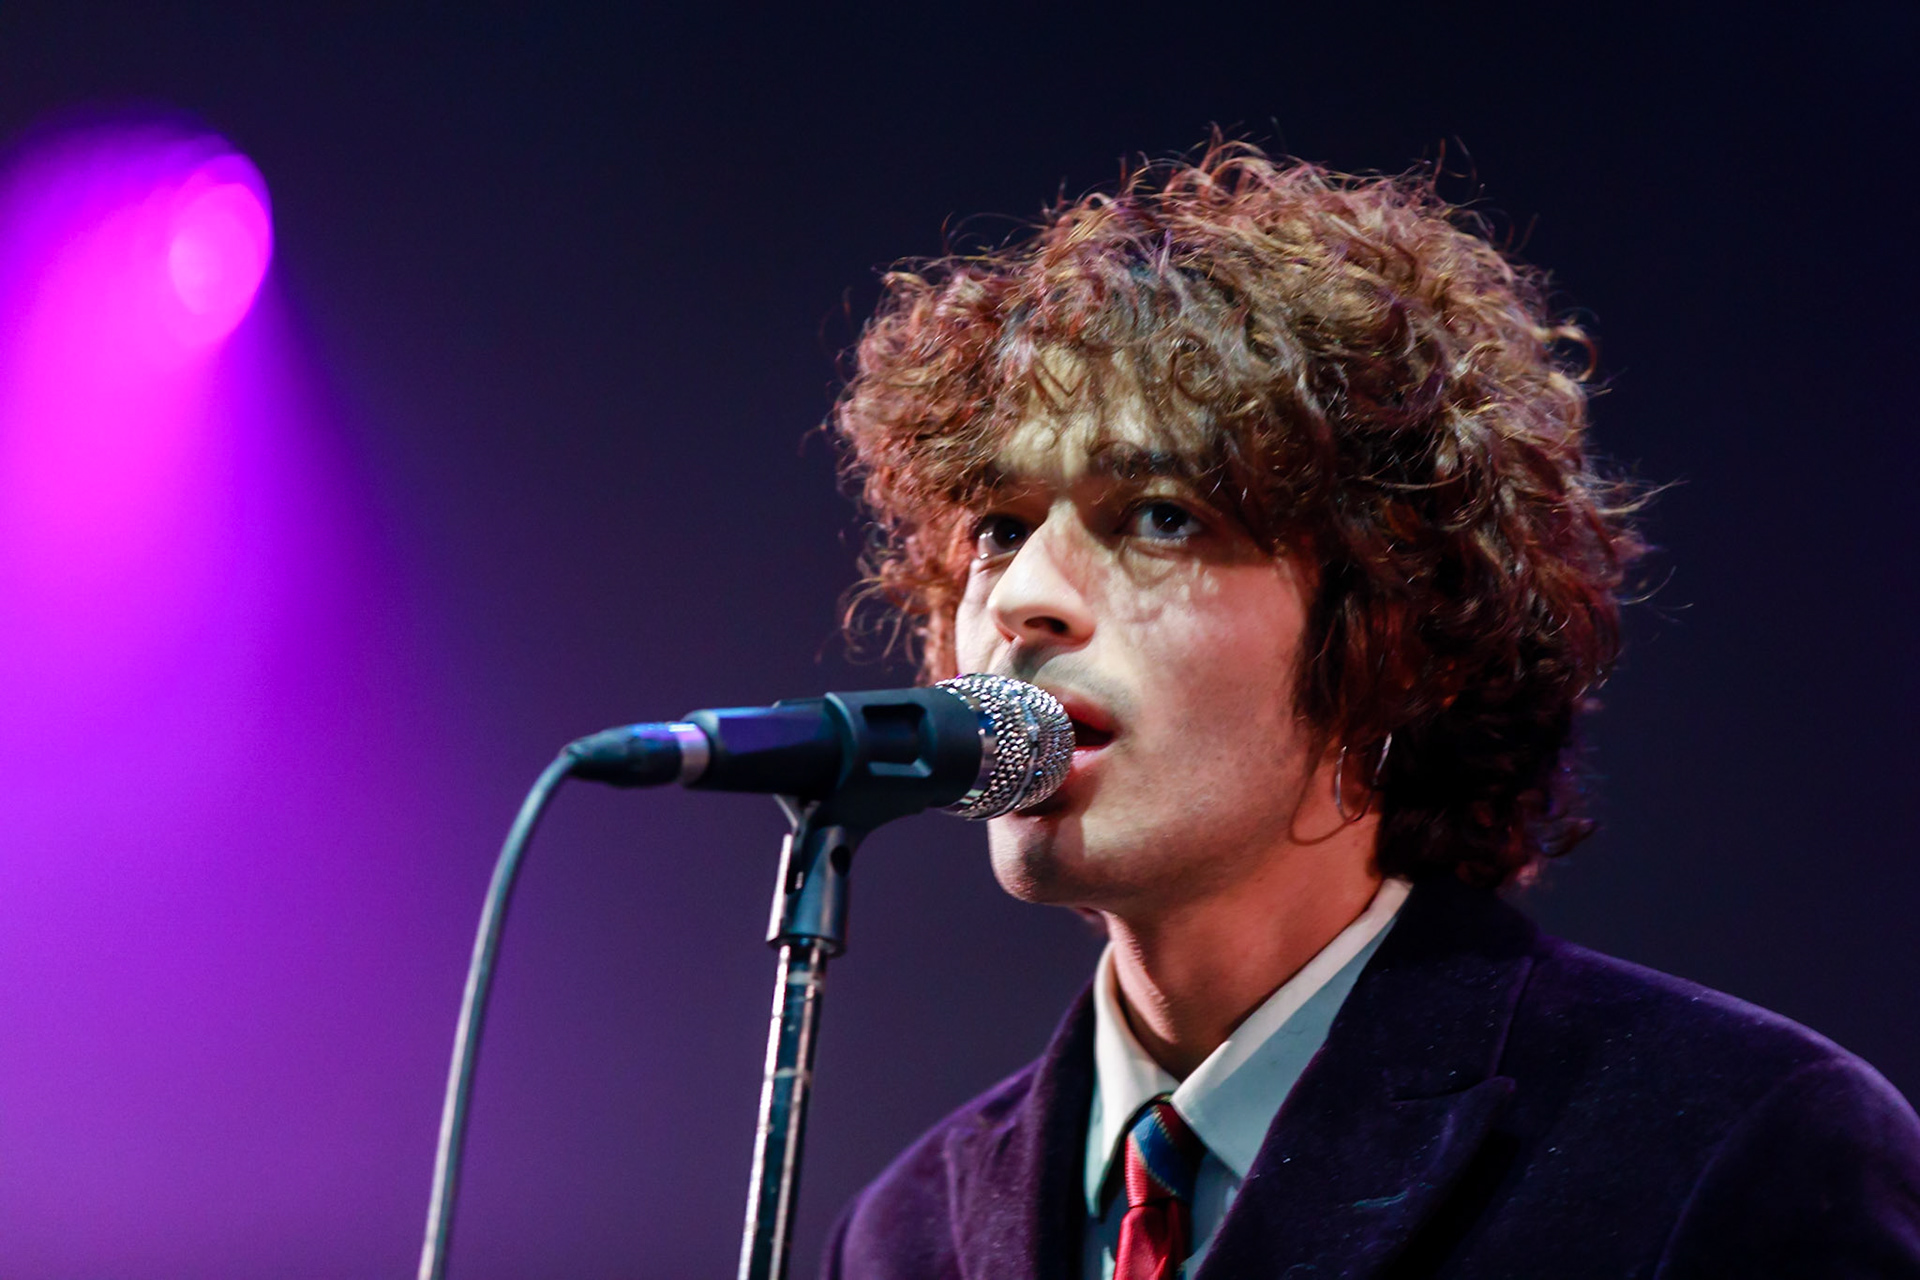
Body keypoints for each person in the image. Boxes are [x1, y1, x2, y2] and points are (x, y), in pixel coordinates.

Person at [818, 143, 1920, 1278]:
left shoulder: (1732, 1148)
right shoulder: (900, 1236)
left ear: (1399, 629)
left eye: (1159, 514)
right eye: (999, 527)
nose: (1024, 597)